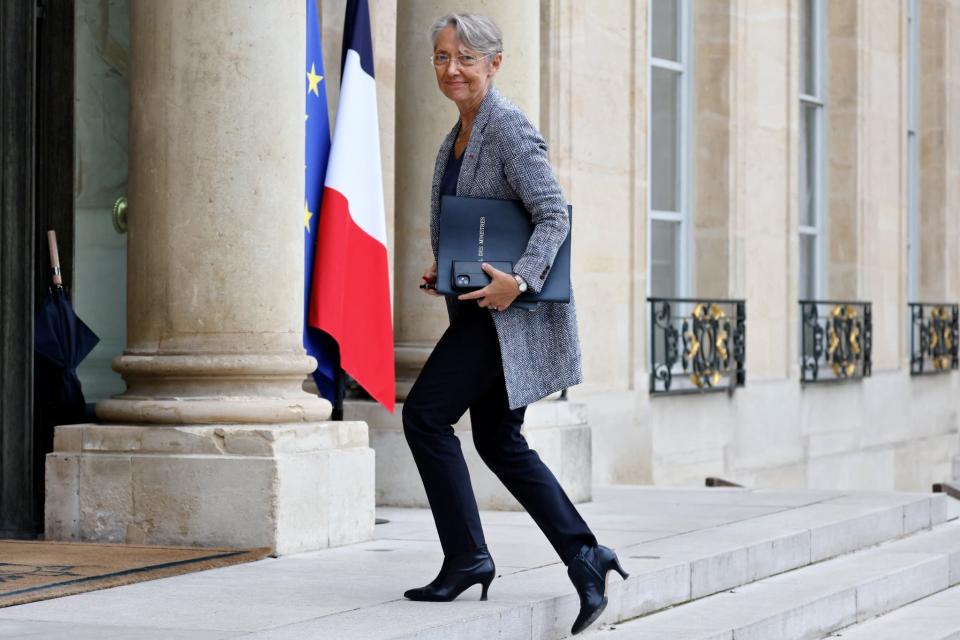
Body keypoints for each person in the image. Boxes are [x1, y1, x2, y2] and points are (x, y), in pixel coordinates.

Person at [400, 12, 628, 636]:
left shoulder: (508, 129)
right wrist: (446, 272)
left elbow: (553, 215)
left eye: (465, 58)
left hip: (502, 319)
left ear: (494, 64)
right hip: (481, 308)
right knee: (499, 441)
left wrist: (517, 281)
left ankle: (469, 556)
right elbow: (482, 222)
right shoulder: (460, 133)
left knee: (423, 415)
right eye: (442, 57)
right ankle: (586, 557)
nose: (451, 69)